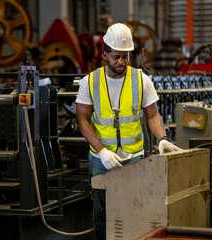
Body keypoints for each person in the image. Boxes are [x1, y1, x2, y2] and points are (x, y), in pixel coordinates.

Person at [75, 23, 182, 239]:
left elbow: (152, 115)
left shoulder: (141, 80)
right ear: (104, 54)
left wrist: (162, 138)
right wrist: (101, 151)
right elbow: (82, 120)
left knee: (135, 211)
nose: (121, 62)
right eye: (116, 57)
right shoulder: (90, 82)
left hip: (134, 158)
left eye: (126, 57)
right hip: (100, 160)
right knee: (102, 214)